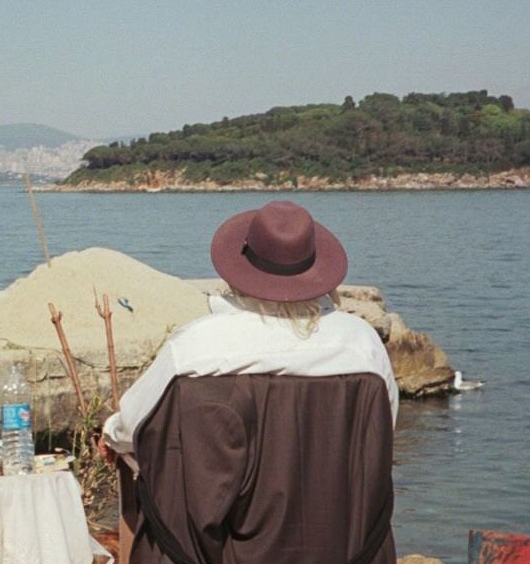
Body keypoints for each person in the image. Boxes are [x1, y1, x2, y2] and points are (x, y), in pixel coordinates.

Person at [101, 199, 397, 469]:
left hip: (223, 524)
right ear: (315, 268)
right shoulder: (361, 341)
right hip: (343, 523)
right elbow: (385, 427)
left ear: (241, 267)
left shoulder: (197, 345)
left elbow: (131, 426)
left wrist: (111, 434)